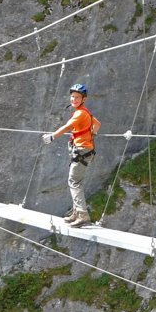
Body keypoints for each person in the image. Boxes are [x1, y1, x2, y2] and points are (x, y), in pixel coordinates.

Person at [41, 83, 102, 228]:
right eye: (72, 97)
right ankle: (76, 212)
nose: (74, 99)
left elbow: (67, 127)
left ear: (83, 99)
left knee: (74, 182)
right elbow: (98, 124)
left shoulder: (80, 113)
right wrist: (92, 133)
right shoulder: (86, 112)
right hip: (85, 151)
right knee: (76, 181)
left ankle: (82, 215)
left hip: (82, 151)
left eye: (77, 97)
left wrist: (52, 137)